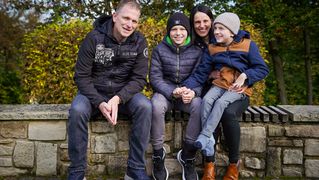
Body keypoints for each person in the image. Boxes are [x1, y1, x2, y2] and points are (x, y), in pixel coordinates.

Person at [67, 1, 152, 180]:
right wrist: (99, 102)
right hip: (93, 94)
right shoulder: (94, 38)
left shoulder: (140, 41)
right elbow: (81, 76)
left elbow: (139, 79)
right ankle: (77, 172)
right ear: (114, 17)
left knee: (145, 106)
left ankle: (135, 169)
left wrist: (118, 98)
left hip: (123, 96)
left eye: (134, 21)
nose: (129, 24)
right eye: (126, 18)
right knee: (77, 110)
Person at [184, 11, 269, 180]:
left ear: (232, 31)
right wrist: (185, 87)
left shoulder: (248, 45)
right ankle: (209, 164)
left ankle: (233, 164)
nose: (216, 32)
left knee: (227, 112)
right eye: (215, 29)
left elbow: (262, 68)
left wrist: (246, 76)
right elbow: (201, 73)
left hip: (239, 92)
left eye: (220, 28)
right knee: (207, 102)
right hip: (220, 86)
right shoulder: (213, 48)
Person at [149, 12, 202, 180]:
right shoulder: (159, 49)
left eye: (182, 29)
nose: (178, 33)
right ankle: (158, 154)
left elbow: (200, 78)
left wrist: (193, 92)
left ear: (188, 31)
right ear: (168, 32)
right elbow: (155, 78)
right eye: (174, 29)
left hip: (187, 95)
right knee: (155, 104)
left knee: (200, 105)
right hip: (166, 94)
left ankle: (187, 155)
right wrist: (171, 91)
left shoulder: (197, 51)